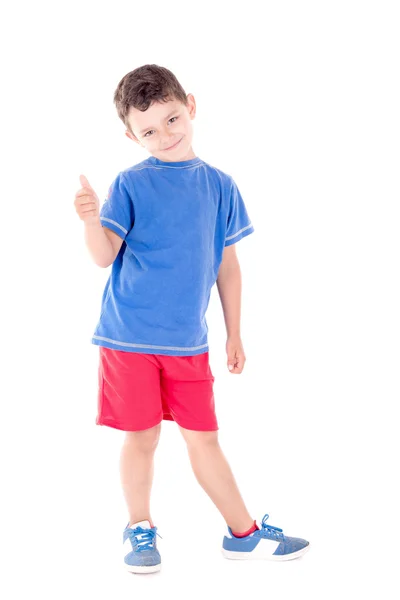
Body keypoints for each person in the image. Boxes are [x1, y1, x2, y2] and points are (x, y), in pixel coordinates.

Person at [74, 64, 310, 574]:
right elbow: (103, 255)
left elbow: (227, 263)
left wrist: (235, 332)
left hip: (188, 343)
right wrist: (92, 220)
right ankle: (140, 528)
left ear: (191, 106)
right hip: (128, 338)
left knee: (204, 437)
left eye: (172, 118)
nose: (165, 135)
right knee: (142, 437)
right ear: (131, 135)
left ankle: (242, 533)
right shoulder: (131, 184)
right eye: (149, 130)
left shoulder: (220, 186)